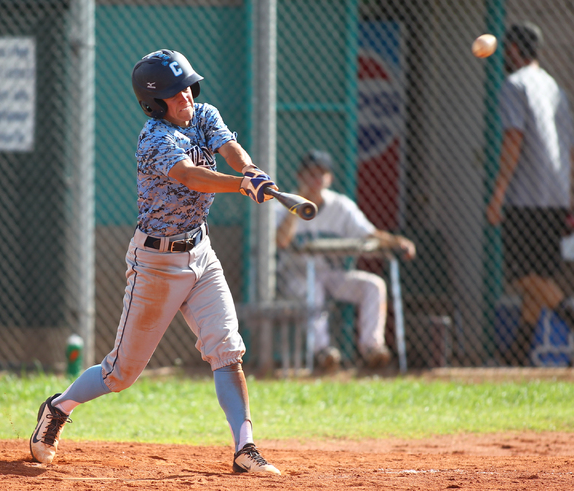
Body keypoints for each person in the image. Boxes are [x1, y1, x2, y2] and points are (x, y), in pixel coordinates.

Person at [29, 49, 281, 475]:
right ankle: (58, 407)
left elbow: (229, 146)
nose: (183, 96)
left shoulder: (203, 114)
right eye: (171, 92)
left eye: (185, 87)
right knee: (120, 374)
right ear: (153, 102)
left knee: (227, 351)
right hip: (156, 263)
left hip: (200, 252)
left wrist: (251, 170)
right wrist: (241, 186)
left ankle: (245, 447)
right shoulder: (155, 139)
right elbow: (190, 175)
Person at [276, 149, 416, 370]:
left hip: (333, 275)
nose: (315, 180)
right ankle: (322, 353)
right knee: (314, 289)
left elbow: (369, 233)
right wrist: (298, 204)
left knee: (373, 285)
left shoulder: (341, 206)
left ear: (329, 178)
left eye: (320, 174)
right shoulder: (284, 203)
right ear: (299, 177)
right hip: (298, 276)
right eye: (310, 174)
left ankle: (372, 348)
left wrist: (396, 241)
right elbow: (281, 241)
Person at [485, 22, 574, 365]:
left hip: (526, 196)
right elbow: (569, 148)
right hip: (554, 194)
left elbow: (513, 138)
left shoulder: (514, 84)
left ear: (514, 50)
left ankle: (568, 321)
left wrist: (498, 195)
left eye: (508, 48)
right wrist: (569, 193)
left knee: (524, 274)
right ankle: (519, 351)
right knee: (539, 274)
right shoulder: (553, 86)